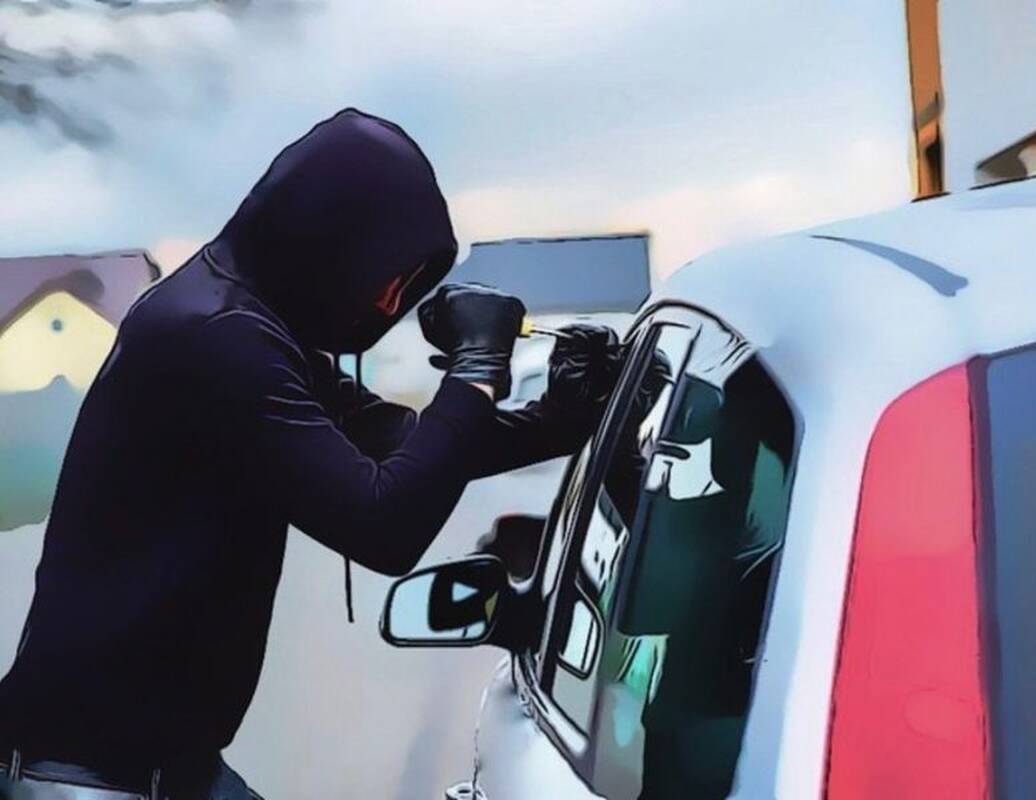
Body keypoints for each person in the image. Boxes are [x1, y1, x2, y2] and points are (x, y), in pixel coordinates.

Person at [0, 109, 620, 800]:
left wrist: (555, 421)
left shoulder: (245, 322)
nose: (390, 301)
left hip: (163, 769)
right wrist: (475, 367)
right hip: (86, 778)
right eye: (387, 277)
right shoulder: (215, 336)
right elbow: (384, 525)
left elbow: (398, 444)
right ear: (332, 239)